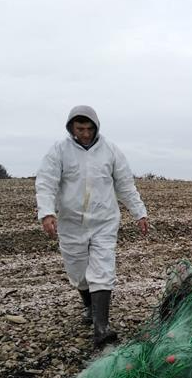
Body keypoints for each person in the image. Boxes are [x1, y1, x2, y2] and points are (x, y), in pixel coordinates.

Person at [36, 105, 149, 348]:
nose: (85, 134)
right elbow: (46, 182)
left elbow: (125, 185)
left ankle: (101, 328)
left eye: (89, 129)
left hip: (104, 220)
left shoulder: (110, 150)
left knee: (102, 271)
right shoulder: (59, 151)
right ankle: (89, 306)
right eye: (80, 129)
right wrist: (46, 213)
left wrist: (139, 213)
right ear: (71, 128)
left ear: (96, 127)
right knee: (78, 273)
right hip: (71, 222)